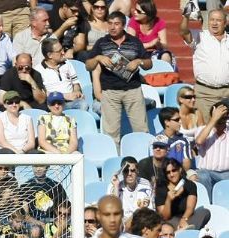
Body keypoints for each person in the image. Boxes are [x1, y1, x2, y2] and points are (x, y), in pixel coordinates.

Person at [85, 10, 151, 148]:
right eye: (110, 24)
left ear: (123, 25)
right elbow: (88, 66)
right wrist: (98, 58)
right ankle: (114, 163)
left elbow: (149, 64)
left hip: (133, 90)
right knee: (111, 134)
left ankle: (144, 160)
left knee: (141, 129)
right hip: (110, 92)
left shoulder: (134, 42)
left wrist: (138, 61)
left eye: (116, 24)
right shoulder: (101, 43)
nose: (112, 27)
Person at [154, 158, 210, 231]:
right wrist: (168, 200)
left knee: (204, 212)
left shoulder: (190, 185)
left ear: (180, 170)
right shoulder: (161, 188)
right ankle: (188, 232)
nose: (171, 174)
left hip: (188, 218)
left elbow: (190, 207)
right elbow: (165, 217)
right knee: (165, 224)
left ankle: (184, 231)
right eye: (168, 172)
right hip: (170, 220)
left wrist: (184, 219)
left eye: (174, 170)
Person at [37, 38, 88, 112]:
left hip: (71, 103)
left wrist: (76, 93)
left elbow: (75, 83)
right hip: (54, 105)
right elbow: (43, 94)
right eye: (59, 51)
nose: (63, 52)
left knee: (83, 104)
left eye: (62, 49)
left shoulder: (67, 63)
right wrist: (65, 96)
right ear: (50, 55)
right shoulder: (39, 70)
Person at [194, 102, 229, 201]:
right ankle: (208, 206)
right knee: (202, 176)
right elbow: (199, 141)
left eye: (224, 118)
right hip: (207, 172)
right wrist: (214, 119)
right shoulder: (202, 130)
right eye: (219, 118)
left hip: (226, 173)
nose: (221, 121)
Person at [126, 0, 173, 67]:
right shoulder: (133, 21)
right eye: (135, 9)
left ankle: (165, 76)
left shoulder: (159, 22)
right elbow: (131, 45)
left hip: (155, 53)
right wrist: (150, 44)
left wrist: (159, 44)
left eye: (138, 11)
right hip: (139, 54)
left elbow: (165, 45)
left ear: (148, 14)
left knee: (166, 56)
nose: (135, 12)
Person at [107, 156, 153, 224]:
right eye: (126, 171)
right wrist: (116, 186)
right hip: (120, 222)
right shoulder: (113, 185)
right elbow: (112, 211)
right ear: (122, 172)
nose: (129, 174)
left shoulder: (146, 185)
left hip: (140, 221)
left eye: (132, 170)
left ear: (137, 171)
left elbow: (151, 211)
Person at [155, 108, 192, 173]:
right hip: (163, 174)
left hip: (180, 173)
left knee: (193, 176)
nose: (180, 122)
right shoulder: (156, 140)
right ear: (167, 122)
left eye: (180, 119)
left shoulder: (184, 139)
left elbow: (187, 163)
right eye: (177, 120)